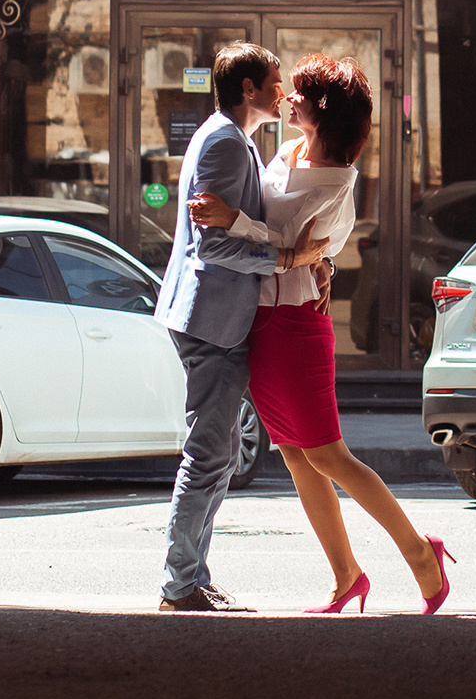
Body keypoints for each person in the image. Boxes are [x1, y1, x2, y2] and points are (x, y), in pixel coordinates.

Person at [187, 54, 455, 615]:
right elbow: (282, 241)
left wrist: (238, 223)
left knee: (330, 455)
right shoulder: (286, 151)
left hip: (298, 328)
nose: (287, 99)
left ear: (323, 110)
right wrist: (287, 246)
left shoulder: (338, 185)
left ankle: (418, 551)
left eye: (299, 94)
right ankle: (346, 575)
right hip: (260, 322)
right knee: (295, 458)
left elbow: (279, 241)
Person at [151, 43, 329, 612]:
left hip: (211, 316)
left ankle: (191, 578)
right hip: (211, 318)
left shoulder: (233, 139)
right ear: (249, 87)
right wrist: (285, 261)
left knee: (220, 449)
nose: (283, 92)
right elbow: (215, 243)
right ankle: (180, 584)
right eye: (275, 82)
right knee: (208, 453)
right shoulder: (227, 141)